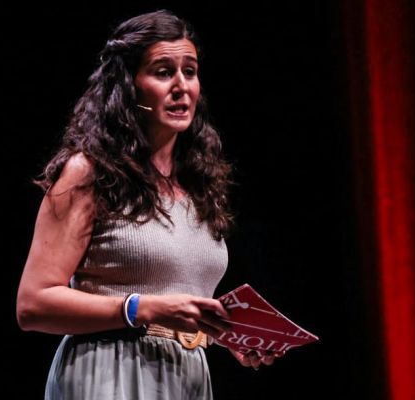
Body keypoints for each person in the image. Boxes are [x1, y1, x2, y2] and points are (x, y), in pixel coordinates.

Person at [16, 10, 277, 400]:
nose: (181, 86)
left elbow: (179, 305)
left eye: (190, 71)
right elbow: (33, 304)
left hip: (185, 377)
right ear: (129, 86)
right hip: (109, 372)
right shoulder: (91, 172)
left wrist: (226, 336)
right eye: (162, 71)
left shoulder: (198, 184)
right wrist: (141, 308)